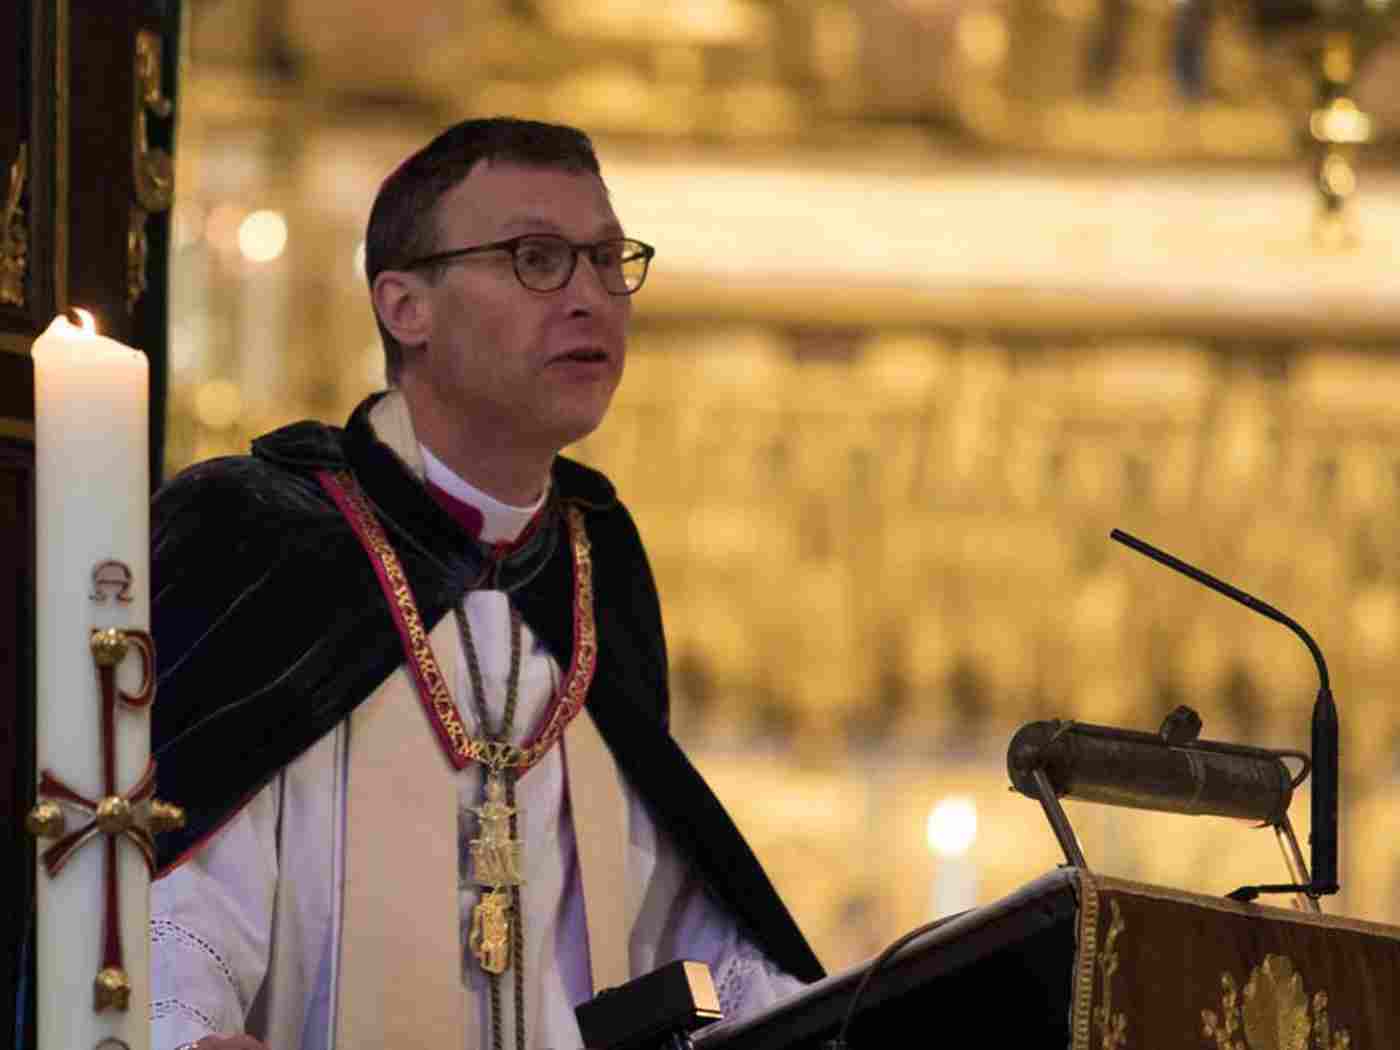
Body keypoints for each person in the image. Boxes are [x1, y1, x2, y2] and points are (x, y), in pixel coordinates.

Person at [147, 117, 823, 1050]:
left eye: (607, 258)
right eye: (537, 257)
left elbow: (681, 930)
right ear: (404, 307)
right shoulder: (263, 538)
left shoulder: (596, 567)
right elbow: (170, 910)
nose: (591, 295)